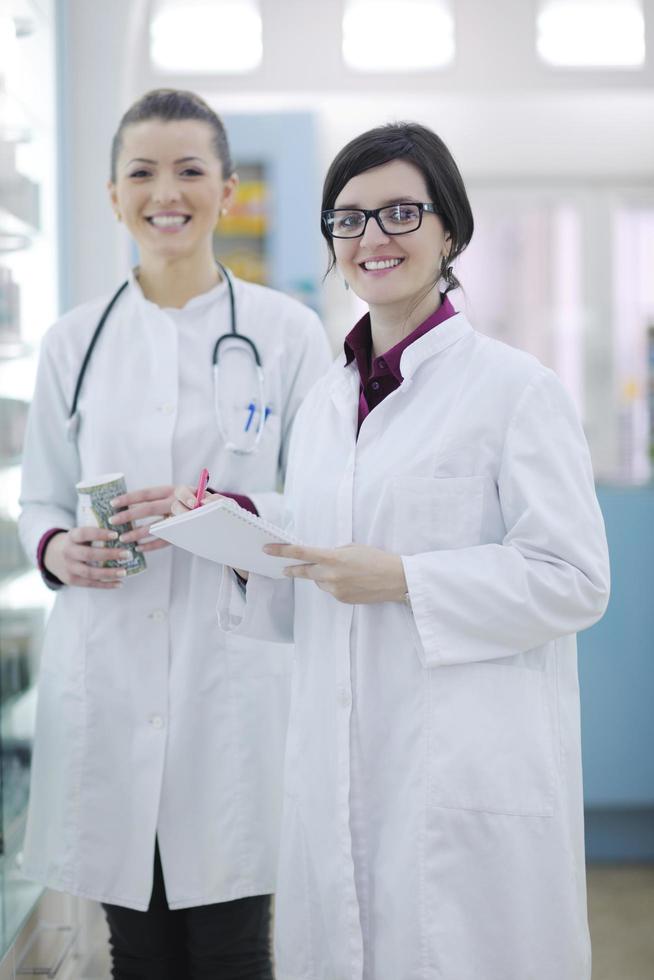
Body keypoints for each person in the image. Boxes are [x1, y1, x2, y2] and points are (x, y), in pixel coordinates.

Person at [191, 122, 610, 979]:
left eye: (400, 214)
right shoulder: (320, 403)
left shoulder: (515, 390)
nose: (372, 238)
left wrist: (406, 581)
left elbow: (574, 581)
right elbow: (320, 559)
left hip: (461, 777)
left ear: (449, 229)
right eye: (348, 219)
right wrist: (240, 538)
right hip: (338, 767)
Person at [18, 88, 330, 979]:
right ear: (114, 195)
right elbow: (39, 499)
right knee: (139, 950)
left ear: (227, 190)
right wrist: (55, 549)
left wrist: (230, 518)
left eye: (191, 170)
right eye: (143, 172)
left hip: (230, 676)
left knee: (235, 945)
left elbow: (325, 501)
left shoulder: (286, 333)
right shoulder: (71, 344)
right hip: (111, 673)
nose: (168, 191)